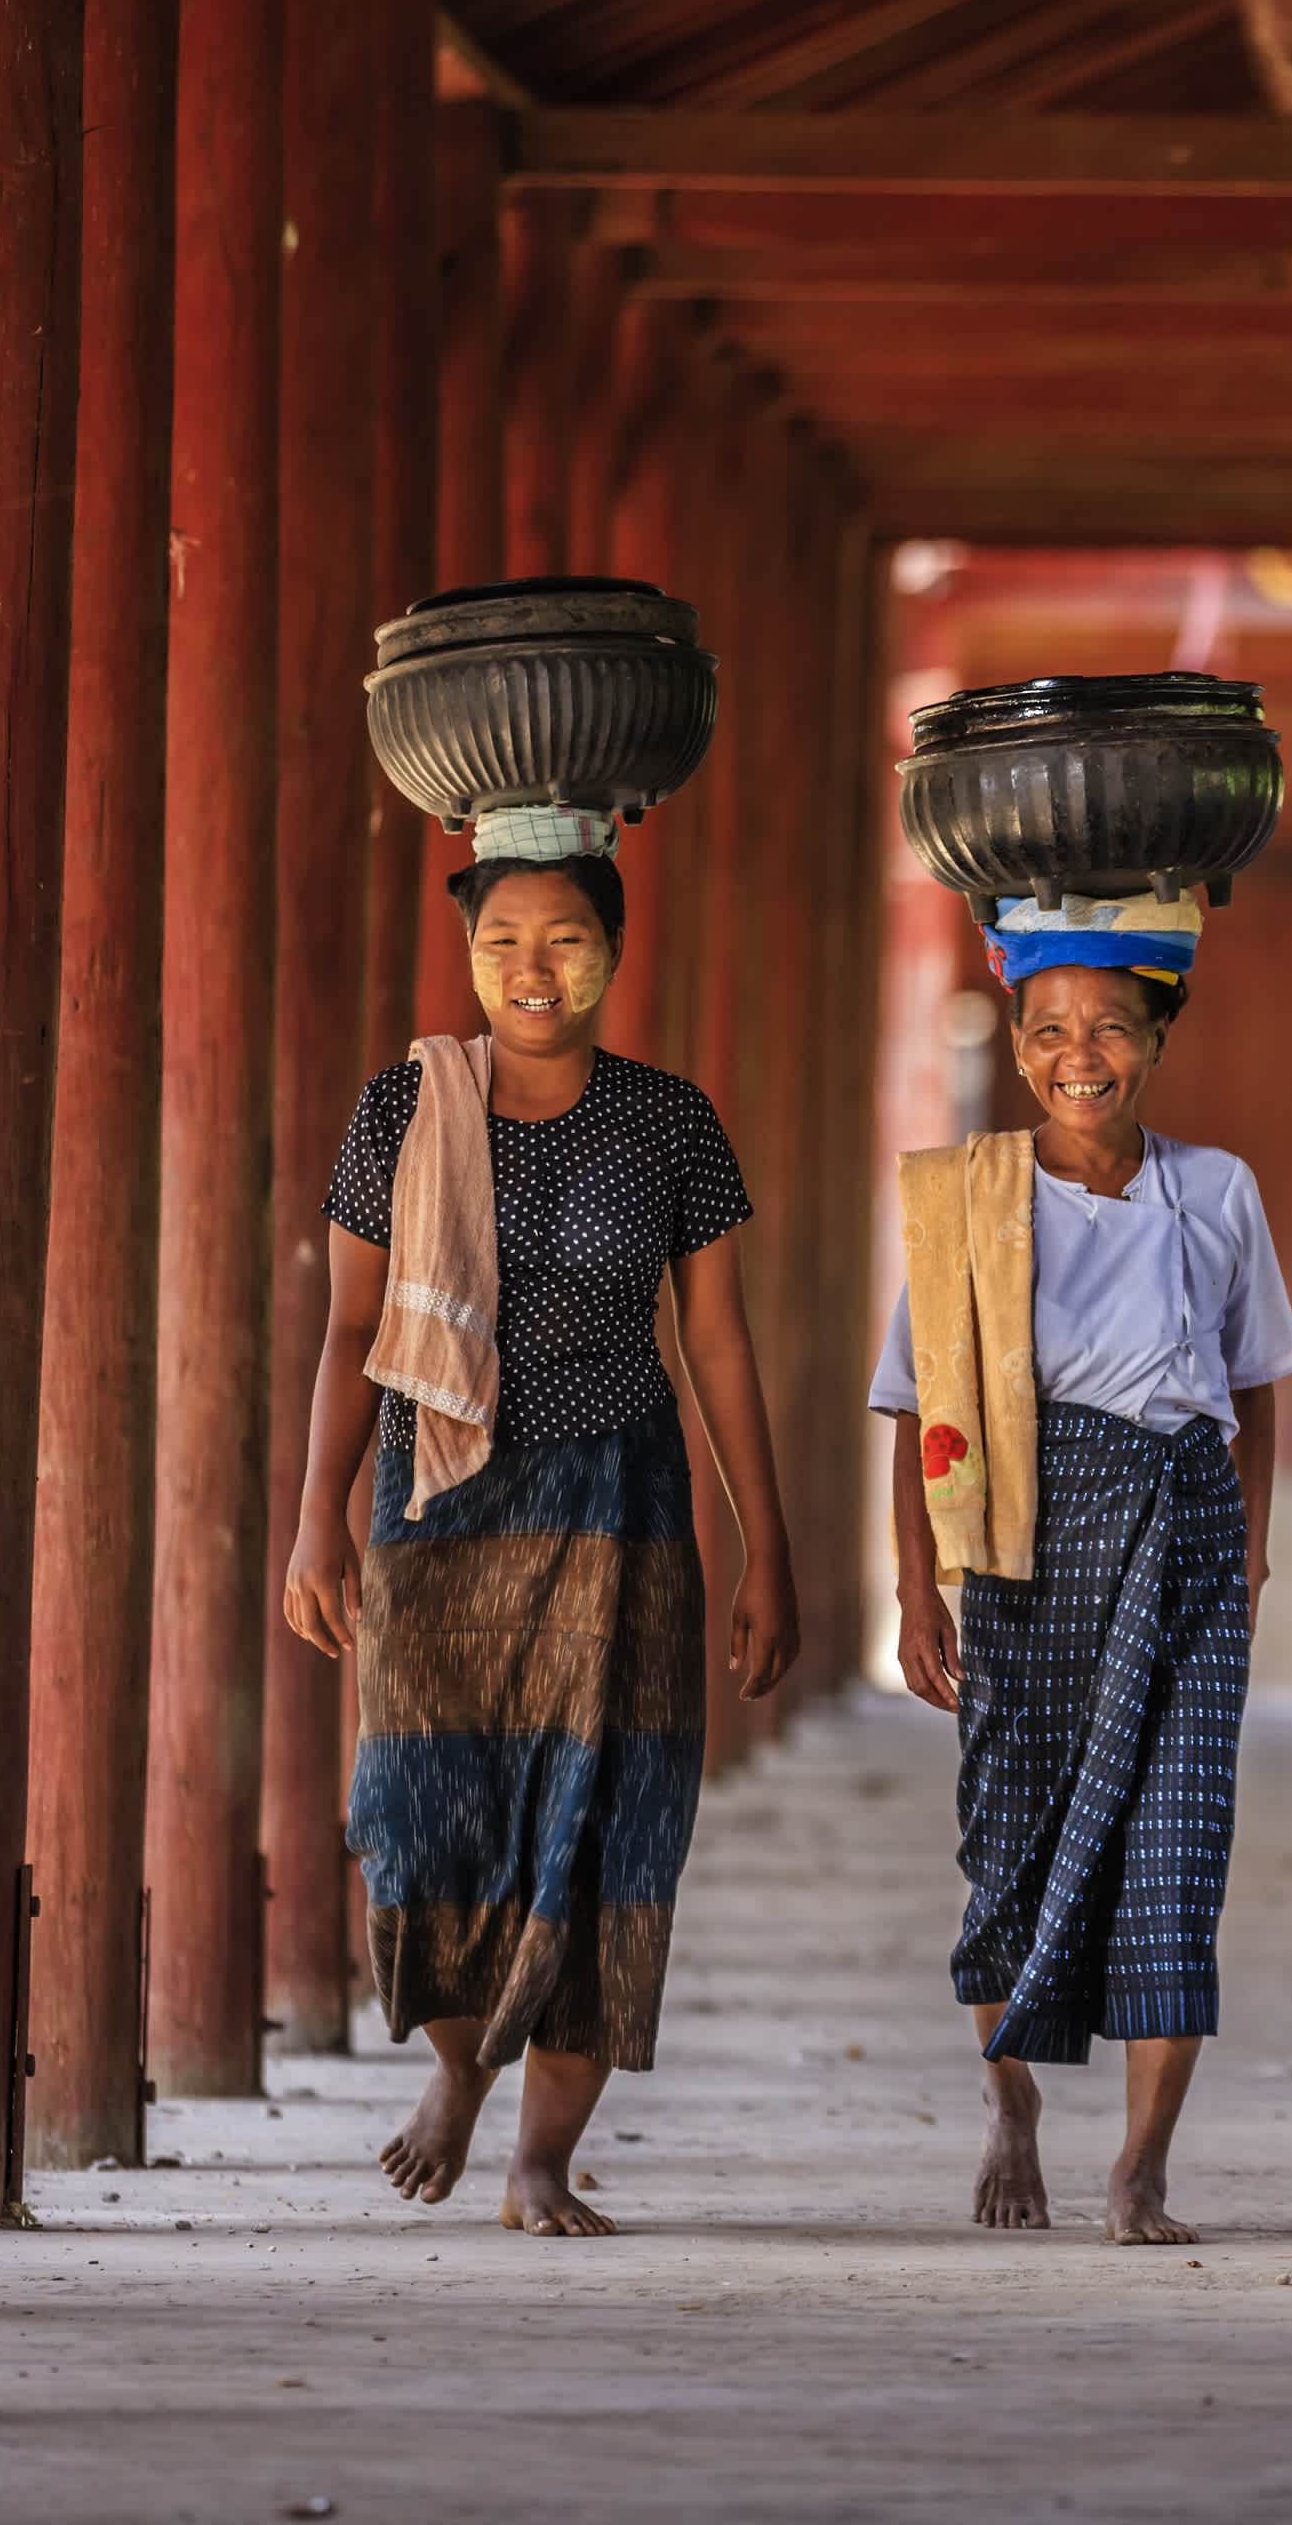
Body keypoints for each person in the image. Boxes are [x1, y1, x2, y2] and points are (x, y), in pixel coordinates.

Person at [282, 849, 798, 2239]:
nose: (533, 966)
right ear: (466, 953)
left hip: (620, 1510)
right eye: (503, 937)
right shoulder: (402, 1109)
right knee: (421, 1815)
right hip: (437, 1507)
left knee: (612, 1834)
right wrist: (314, 1519)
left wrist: (767, 1548)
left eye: (565, 937)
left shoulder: (671, 1123)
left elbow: (716, 1345)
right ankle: (457, 2071)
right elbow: (349, 1329)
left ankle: (541, 2159)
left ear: (614, 951)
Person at [872, 888, 1292, 2247]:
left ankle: (1142, 2172)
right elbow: (916, 1408)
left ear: (1157, 1039)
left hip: (1183, 1536)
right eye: (1050, 1028)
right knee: (1013, 1845)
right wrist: (912, 1587)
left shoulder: (1219, 1190)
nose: (1079, 1056)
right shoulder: (966, 1205)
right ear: (1015, 1038)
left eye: (1110, 1028)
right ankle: (1012, 2107)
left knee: (1176, 1852)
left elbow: (1253, 1385)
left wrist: (1249, 1552)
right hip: (1022, 1544)